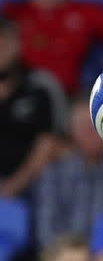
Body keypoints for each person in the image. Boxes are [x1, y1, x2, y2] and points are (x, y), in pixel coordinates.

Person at [35, 98, 103, 248]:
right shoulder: (54, 173)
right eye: (83, 127)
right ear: (72, 132)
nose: (90, 133)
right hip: (66, 259)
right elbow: (46, 229)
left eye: (97, 126)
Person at [0, 17, 63, 200]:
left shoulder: (39, 86)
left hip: (29, 188)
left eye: (6, 43)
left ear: (18, 45)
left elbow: (48, 144)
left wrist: (11, 189)